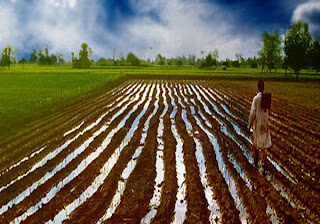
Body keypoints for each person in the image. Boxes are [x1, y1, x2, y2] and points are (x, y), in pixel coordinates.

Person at [249, 80, 272, 173]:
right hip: (265, 123)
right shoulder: (267, 98)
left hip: (258, 123)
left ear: (258, 87)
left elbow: (252, 113)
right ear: (263, 87)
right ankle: (263, 162)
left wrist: (249, 123)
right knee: (264, 143)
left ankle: (256, 161)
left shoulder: (256, 98)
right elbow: (267, 111)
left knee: (257, 142)